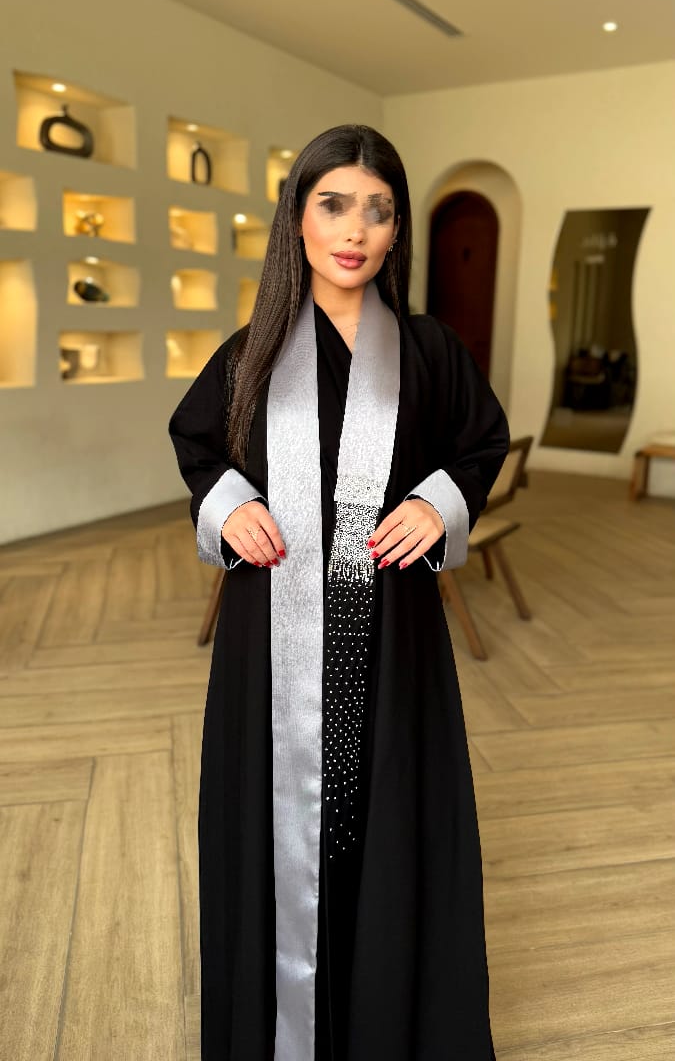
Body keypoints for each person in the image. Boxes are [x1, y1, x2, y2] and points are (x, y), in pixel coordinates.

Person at [169, 124, 509, 1061]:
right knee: (281, 829)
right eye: (333, 205)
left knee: (382, 815)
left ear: (397, 231)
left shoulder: (430, 351)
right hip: (271, 646)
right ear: (297, 218)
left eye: (377, 210)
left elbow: (480, 445)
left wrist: (437, 503)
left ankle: (382, 1022)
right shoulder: (250, 353)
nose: (354, 230)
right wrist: (231, 505)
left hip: (390, 636)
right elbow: (197, 446)